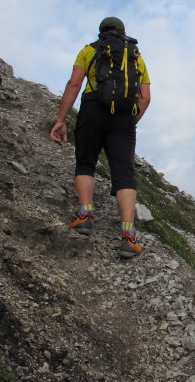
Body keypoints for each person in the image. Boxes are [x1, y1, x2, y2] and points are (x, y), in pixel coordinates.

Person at [50, 17, 151, 258]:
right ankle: (128, 237)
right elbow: (145, 97)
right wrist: (128, 123)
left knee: (86, 162)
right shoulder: (135, 57)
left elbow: (75, 83)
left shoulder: (89, 51)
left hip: (93, 109)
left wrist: (61, 119)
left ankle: (85, 216)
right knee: (124, 173)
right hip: (124, 116)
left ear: (101, 33)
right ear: (123, 32)